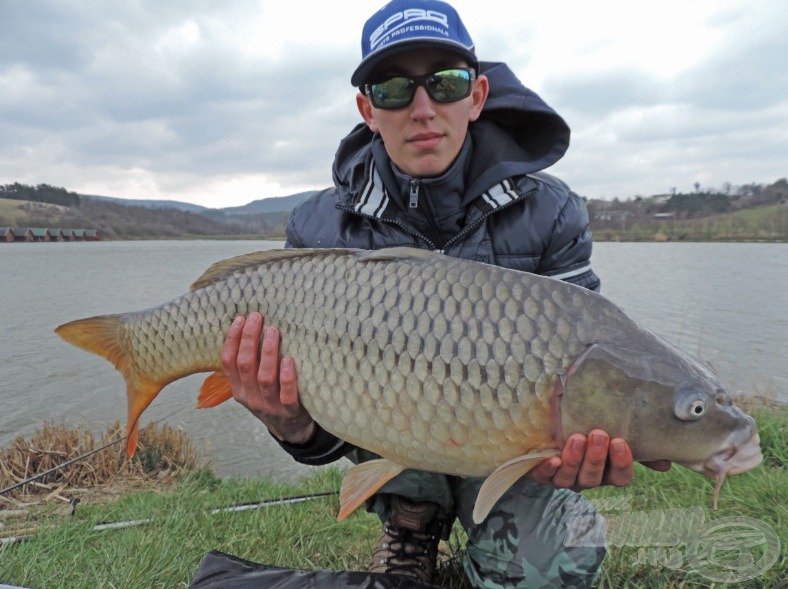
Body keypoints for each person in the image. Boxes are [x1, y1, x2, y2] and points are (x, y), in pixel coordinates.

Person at [221, 1, 670, 587]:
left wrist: (579, 443)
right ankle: (411, 519)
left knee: (552, 564)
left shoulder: (553, 212)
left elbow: (586, 359)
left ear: (477, 96)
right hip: (387, 428)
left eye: (446, 82)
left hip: (512, 450)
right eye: (393, 89)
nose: (423, 108)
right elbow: (319, 414)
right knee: (393, 371)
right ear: (367, 110)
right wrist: (293, 427)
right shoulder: (320, 229)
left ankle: (495, 522)